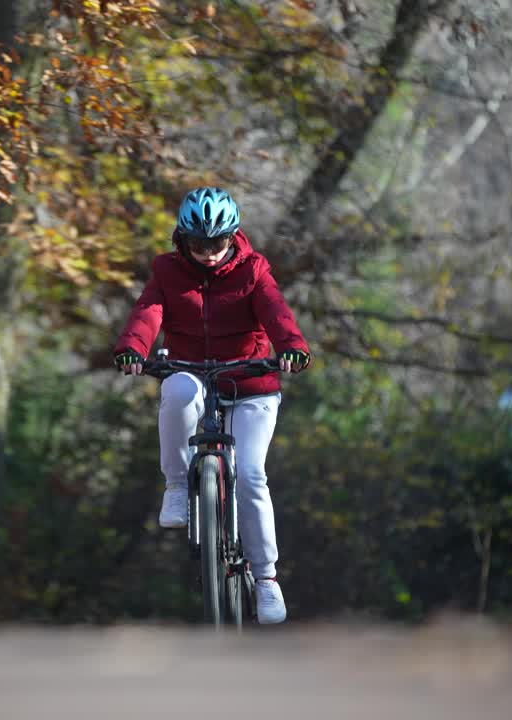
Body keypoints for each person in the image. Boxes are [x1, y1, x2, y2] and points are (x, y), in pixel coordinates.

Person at [112, 186, 311, 624]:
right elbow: (149, 312)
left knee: (252, 475)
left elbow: (276, 311)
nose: (208, 253)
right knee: (177, 393)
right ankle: (179, 487)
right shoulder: (166, 271)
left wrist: (292, 346)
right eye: (198, 244)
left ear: (232, 237)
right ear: (181, 240)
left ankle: (266, 580)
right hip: (190, 370)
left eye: (217, 243)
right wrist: (132, 347)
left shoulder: (254, 270)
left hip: (251, 381)